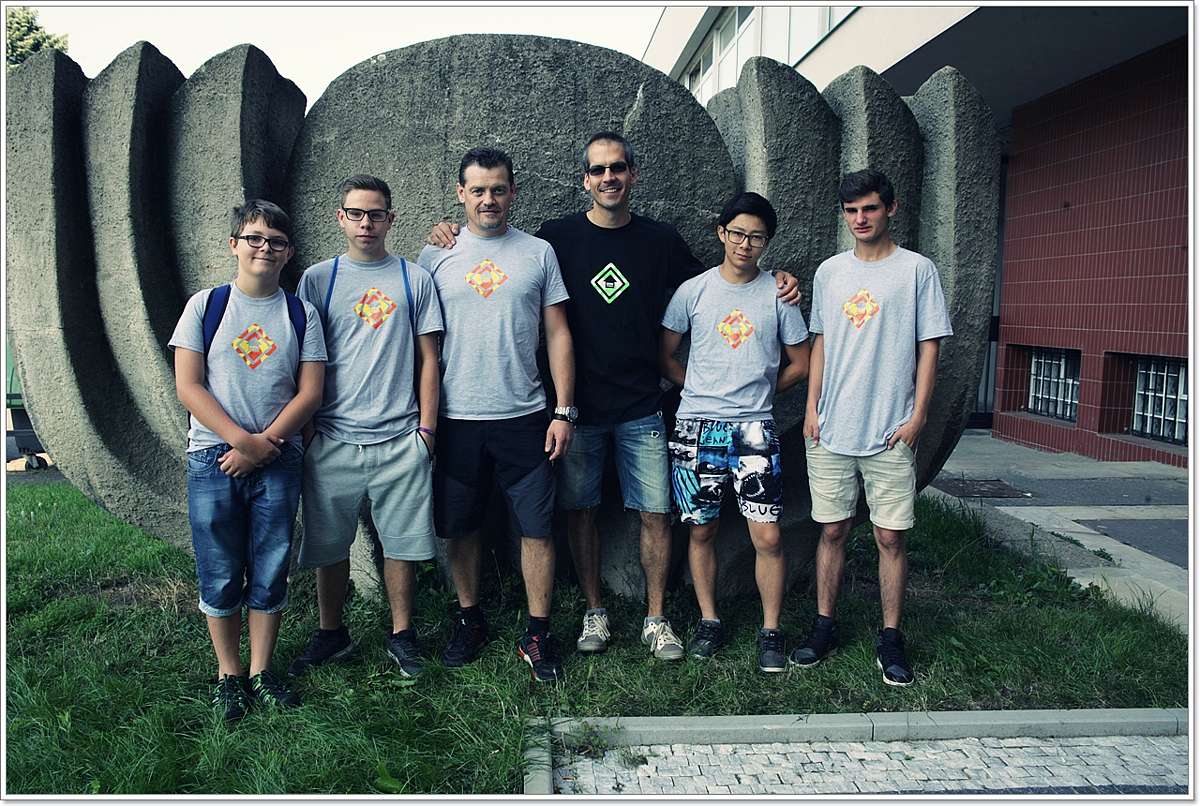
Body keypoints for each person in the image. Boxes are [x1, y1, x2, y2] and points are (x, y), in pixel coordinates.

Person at [429, 132, 801, 661]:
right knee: (580, 512)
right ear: (585, 179)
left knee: (656, 513)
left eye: (618, 168)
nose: (609, 177)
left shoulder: (659, 240)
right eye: (599, 169)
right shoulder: (555, 239)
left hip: (642, 405)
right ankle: (593, 610)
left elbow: (723, 284)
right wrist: (445, 232)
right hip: (578, 410)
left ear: (633, 175)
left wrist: (776, 280)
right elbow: (514, 277)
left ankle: (657, 617)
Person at [418, 147, 576, 683]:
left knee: (537, 527)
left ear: (513, 193)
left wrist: (563, 410)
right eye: (478, 190)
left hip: (525, 415)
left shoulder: (539, 253)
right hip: (457, 417)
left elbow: (557, 332)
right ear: (461, 194)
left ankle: (538, 632)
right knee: (460, 527)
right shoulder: (434, 256)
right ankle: (470, 619)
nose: (489, 199)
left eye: (499, 189)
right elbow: (424, 345)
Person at [794, 168, 953, 687]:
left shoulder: (917, 270)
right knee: (832, 529)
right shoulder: (830, 272)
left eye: (869, 208)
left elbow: (929, 346)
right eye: (851, 210)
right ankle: (824, 626)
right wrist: (812, 408)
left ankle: (891, 638)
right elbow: (819, 342)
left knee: (889, 536)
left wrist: (918, 416)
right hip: (831, 428)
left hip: (890, 428)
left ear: (891, 209)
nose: (860, 219)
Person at [170, 200, 326, 720]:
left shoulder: (300, 314)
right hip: (213, 456)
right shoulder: (206, 306)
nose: (265, 248)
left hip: (278, 455)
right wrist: (241, 441)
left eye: (276, 242)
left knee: (271, 563)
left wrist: (264, 445)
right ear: (234, 244)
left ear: (289, 253)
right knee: (218, 567)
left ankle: (261, 670)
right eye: (254, 238)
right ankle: (229, 674)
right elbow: (189, 386)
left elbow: (310, 393)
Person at [288, 175, 444, 681]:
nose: (366, 223)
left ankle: (402, 633)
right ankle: (331, 632)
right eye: (355, 213)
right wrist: (308, 432)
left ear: (390, 219)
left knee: (402, 545)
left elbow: (429, 359)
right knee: (328, 545)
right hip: (332, 438)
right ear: (341, 218)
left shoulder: (413, 278)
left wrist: (426, 432)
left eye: (376, 214)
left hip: (400, 438)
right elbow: (303, 358)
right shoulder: (318, 279)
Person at [659, 192, 810, 672]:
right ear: (721, 233)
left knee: (767, 535)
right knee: (700, 529)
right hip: (697, 427)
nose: (746, 244)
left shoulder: (778, 294)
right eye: (738, 233)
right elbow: (664, 353)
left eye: (757, 237)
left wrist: (763, 388)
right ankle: (709, 620)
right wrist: (696, 387)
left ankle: (771, 630)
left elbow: (801, 362)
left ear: (768, 242)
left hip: (754, 431)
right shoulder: (694, 291)